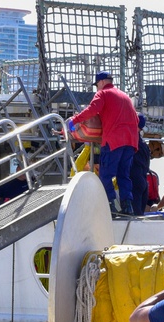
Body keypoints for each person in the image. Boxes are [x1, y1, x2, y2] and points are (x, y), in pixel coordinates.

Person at [68, 71, 139, 215]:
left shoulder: (103, 94)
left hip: (113, 141)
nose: (96, 89)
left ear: (100, 82)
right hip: (131, 142)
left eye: (96, 86)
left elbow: (93, 109)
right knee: (123, 175)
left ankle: (110, 206)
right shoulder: (125, 96)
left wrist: (74, 120)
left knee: (105, 175)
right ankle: (127, 206)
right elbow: (136, 120)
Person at [129, 114, 151, 216]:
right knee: (139, 216)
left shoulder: (132, 141)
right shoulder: (144, 145)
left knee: (134, 218)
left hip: (135, 181)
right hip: (143, 181)